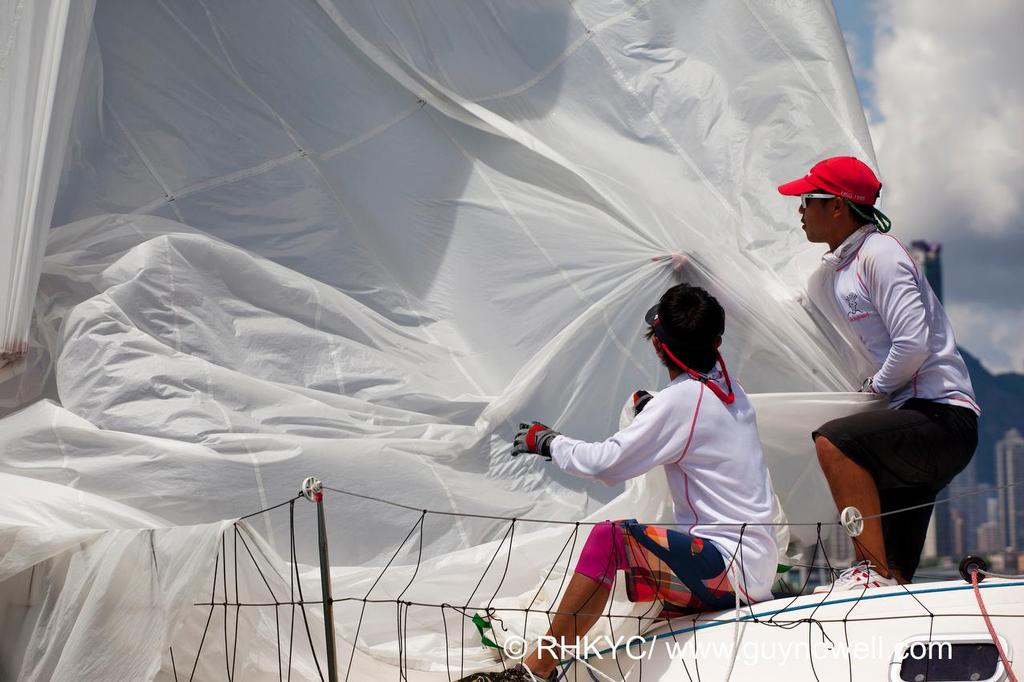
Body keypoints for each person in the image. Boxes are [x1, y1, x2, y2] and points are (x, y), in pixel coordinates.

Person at [458, 284, 777, 681]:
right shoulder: (731, 388)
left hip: (727, 568)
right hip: (755, 565)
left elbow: (607, 465)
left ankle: (537, 671)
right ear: (715, 343)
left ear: (658, 347)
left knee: (610, 539)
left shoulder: (679, 403)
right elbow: (693, 423)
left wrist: (548, 442)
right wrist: (654, 411)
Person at [777, 156, 979, 591]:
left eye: (808, 200)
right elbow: (779, 311)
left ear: (837, 208)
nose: (799, 210)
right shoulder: (835, 272)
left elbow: (912, 343)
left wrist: (875, 389)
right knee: (898, 577)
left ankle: (867, 572)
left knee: (836, 441)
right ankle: (882, 579)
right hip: (912, 424)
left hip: (942, 419)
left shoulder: (880, 255)